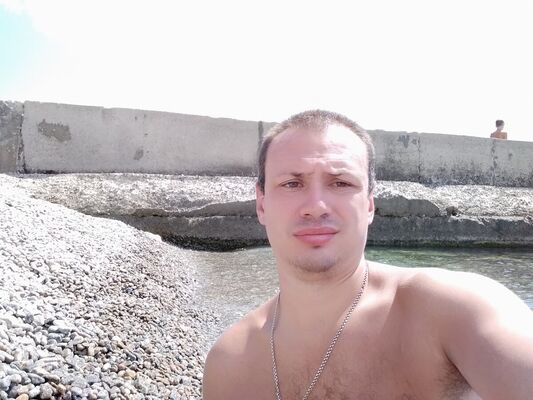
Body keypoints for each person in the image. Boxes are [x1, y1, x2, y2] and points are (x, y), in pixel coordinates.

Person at [203, 110, 533, 399]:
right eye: (291, 184)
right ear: (262, 204)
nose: (316, 207)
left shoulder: (453, 312)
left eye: (341, 183)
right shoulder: (230, 365)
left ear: (370, 204)